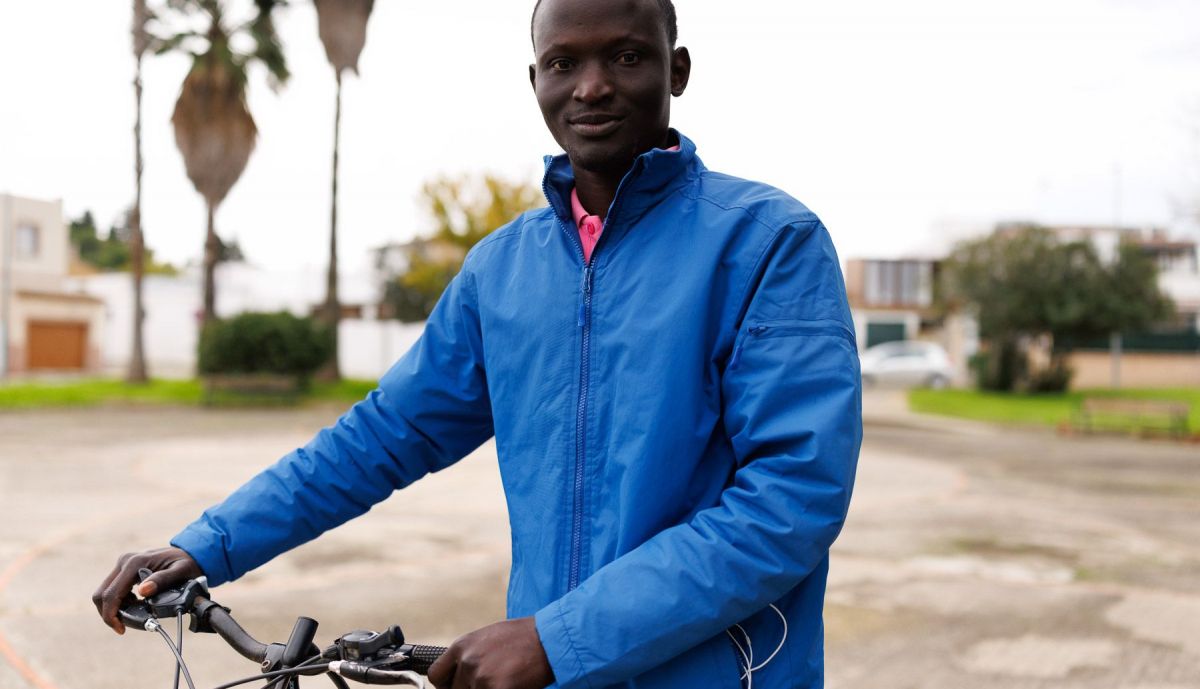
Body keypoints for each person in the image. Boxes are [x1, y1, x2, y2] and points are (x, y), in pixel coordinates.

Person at [93, 0, 863, 687]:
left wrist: (558, 640)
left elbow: (788, 501)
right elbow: (383, 434)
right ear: (536, 81)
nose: (591, 85)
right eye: (564, 63)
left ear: (678, 68)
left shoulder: (769, 244)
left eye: (625, 55)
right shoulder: (501, 269)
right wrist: (209, 543)